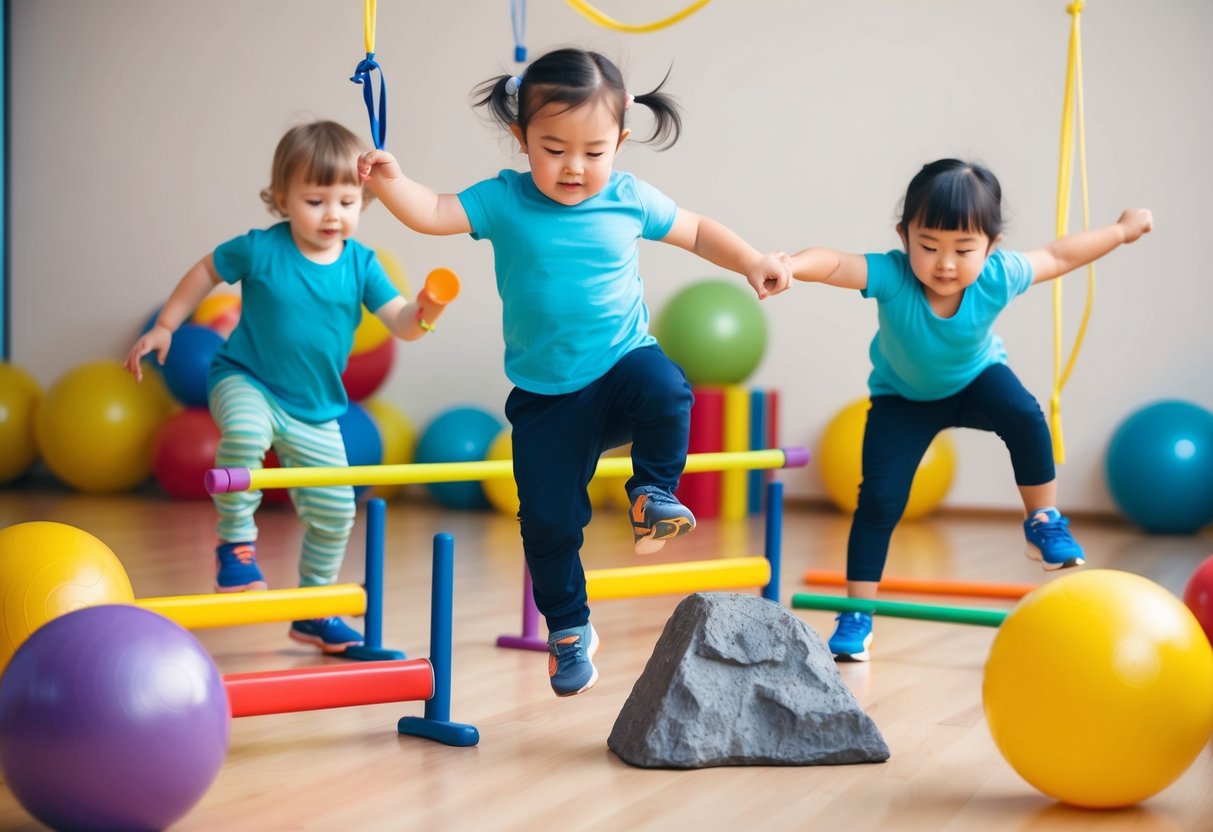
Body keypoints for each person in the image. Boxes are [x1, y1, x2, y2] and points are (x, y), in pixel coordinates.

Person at [358, 47, 791, 696]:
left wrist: (750, 259)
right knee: (547, 522)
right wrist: (388, 179)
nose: (573, 167)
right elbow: (432, 213)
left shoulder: (628, 197)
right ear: (520, 138)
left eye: (593, 152)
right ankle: (568, 629)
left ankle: (652, 494)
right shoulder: (503, 201)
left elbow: (697, 230)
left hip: (620, 365)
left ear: (619, 140)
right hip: (545, 399)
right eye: (553, 148)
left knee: (668, 388)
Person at [786, 158, 1153, 661]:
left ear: (991, 247)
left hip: (976, 380)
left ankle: (1042, 519)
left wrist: (1122, 230)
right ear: (904, 236)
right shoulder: (892, 276)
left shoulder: (1000, 275)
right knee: (878, 503)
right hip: (901, 400)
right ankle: (857, 616)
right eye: (929, 246)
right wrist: (789, 266)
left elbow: (1059, 255)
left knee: (1024, 414)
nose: (945, 263)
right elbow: (833, 263)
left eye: (963, 249)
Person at [124, 120, 448, 654]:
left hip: (315, 407)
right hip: (244, 378)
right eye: (315, 200)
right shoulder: (259, 249)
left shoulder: (362, 266)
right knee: (246, 436)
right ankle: (236, 547)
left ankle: (314, 611)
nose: (332, 215)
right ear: (281, 198)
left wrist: (427, 311)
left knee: (336, 511)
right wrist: (167, 324)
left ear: (362, 201)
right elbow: (204, 272)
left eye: (346, 201)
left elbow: (402, 324)